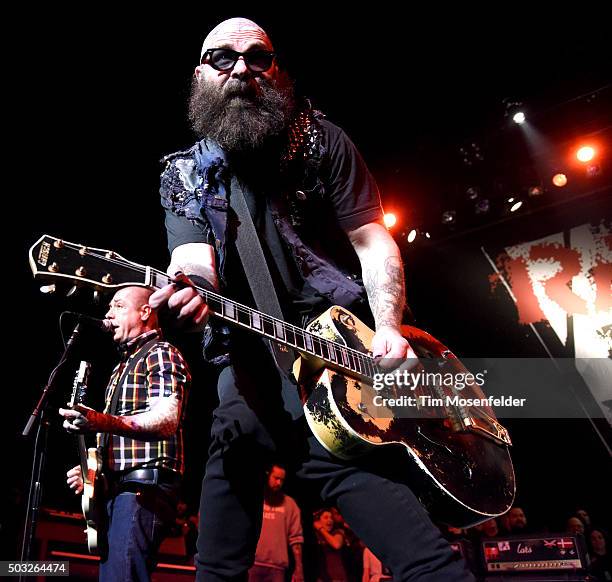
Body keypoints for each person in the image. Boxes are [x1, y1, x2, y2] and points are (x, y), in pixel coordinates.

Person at [150, 16, 474, 581]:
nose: (241, 69)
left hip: (343, 364)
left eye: (258, 57)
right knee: (218, 561)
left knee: (423, 561)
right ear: (201, 73)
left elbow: (373, 241)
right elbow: (192, 262)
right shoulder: (185, 175)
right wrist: (194, 294)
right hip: (251, 364)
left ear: (276, 70)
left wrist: (390, 328)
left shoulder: (321, 140)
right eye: (222, 57)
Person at [59, 286, 191, 581]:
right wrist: (95, 474)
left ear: (145, 312)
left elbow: (167, 420)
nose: (108, 313)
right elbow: (119, 435)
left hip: (145, 488)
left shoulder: (161, 353)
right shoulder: (121, 368)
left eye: (118, 306)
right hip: (120, 490)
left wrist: (99, 421)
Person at [248, 464, 304, 582]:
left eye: (282, 480)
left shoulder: (290, 504)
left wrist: (299, 569)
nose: (279, 483)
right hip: (251, 563)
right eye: (276, 478)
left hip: (277, 568)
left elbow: (296, 539)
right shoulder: (254, 498)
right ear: (267, 476)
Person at [314, 509, 349, 582]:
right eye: (326, 517)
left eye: (331, 518)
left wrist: (321, 529)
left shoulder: (338, 532)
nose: (330, 520)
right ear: (318, 521)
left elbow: (336, 545)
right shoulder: (315, 536)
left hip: (337, 578)